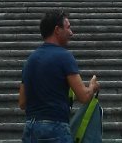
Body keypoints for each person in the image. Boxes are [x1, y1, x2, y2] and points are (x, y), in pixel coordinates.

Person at [19, 8, 100, 143]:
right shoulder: (64, 57)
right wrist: (92, 86)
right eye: (68, 28)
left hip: (30, 129)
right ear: (57, 30)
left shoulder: (30, 60)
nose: (71, 33)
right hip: (54, 129)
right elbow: (84, 96)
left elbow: (22, 102)